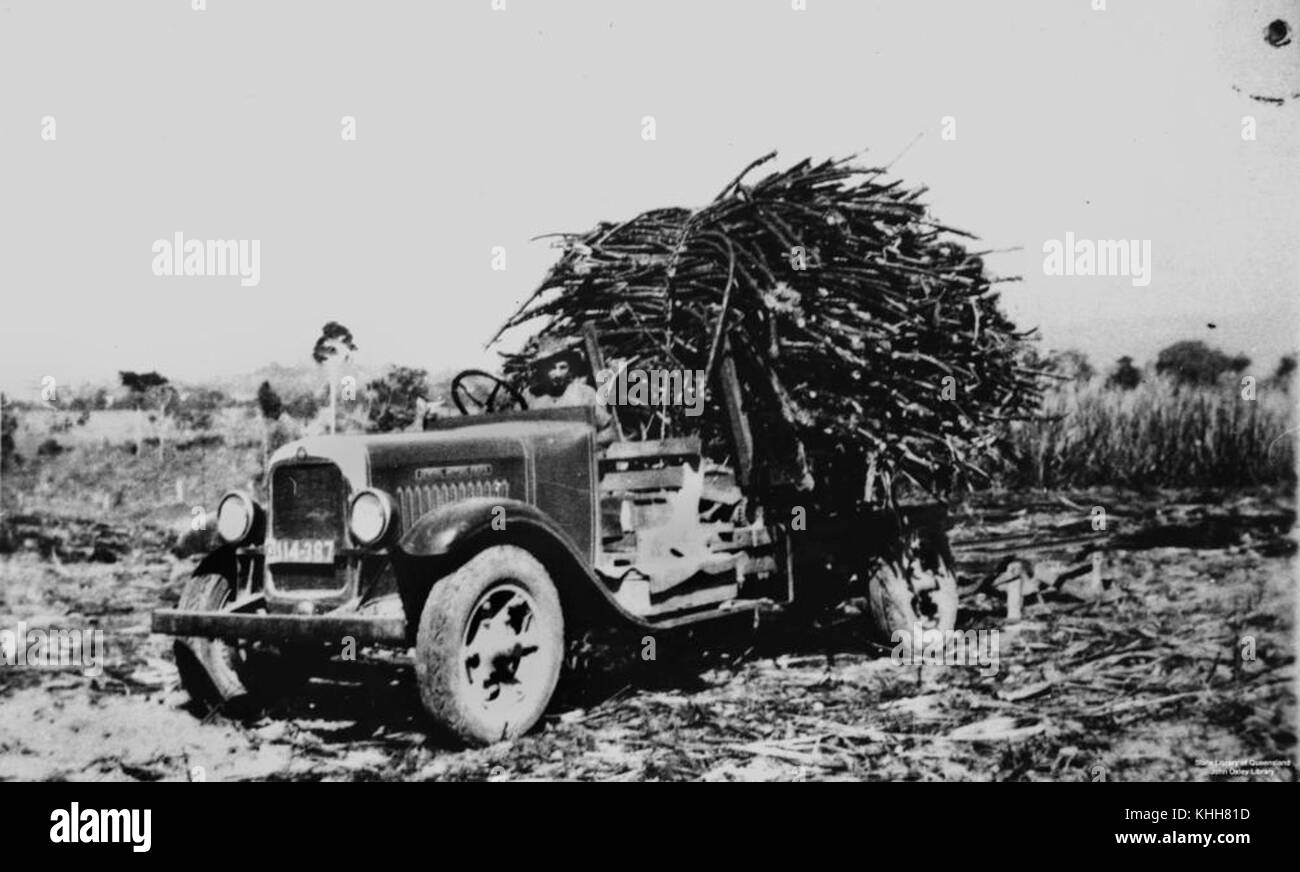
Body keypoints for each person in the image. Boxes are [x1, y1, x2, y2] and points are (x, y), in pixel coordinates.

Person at [526, 336, 616, 445]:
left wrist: (586, 443)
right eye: (551, 368)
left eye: (563, 367)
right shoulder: (532, 396)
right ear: (543, 370)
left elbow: (609, 431)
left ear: (570, 370)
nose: (558, 374)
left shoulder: (584, 394)